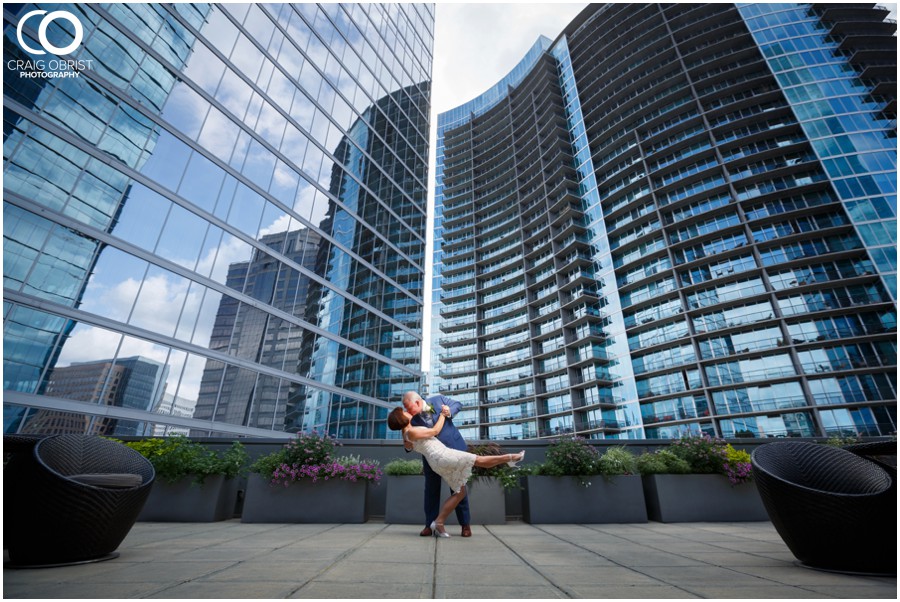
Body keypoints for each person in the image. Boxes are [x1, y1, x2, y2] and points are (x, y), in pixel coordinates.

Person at [388, 403, 524, 538]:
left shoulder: (406, 435)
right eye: (403, 412)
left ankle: (439, 522)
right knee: (477, 460)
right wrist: (442, 414)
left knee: (460, 492)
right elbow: (435, 431)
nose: (406, 412)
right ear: (401, 418)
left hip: (438, 460)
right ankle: (511, 458)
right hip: (443, 456)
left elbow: (411, 447)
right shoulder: (411, 432)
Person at [400, 392, 470, 537]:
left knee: (458, 488)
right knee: (431, 490)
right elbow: (408, 446)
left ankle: (465, 525)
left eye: (408, 407)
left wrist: (449, 411)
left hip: (454, 450)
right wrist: (406, 442)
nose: (407, 411)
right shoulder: (409, 420)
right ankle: (429, 525)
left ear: (418, 403)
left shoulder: (438, 400)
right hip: (431, 458)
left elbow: (458, 404)